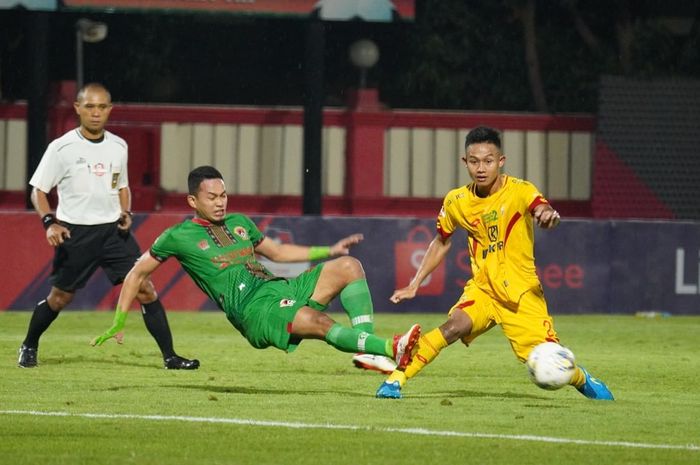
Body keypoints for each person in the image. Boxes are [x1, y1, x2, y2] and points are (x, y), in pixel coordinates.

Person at [91, 165, 421, 375]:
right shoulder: (178, 236)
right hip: (253, 310)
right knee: (320, 323)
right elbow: (136, 273)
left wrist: (329, 250)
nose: (221, 202)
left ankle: (370, 354)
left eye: (224, 195)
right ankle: (390, 348)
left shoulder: (239, 223)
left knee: (349, 266)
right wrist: (119, 319)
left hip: (279, 288)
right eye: (212, 197)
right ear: (193, 202)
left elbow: (276, 251)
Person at [376, 126, 614, 400]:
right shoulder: (457, 201)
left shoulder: (520, 190)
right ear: (465, 162)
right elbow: (441, 241)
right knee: (452, 328)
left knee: (546, 361)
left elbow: (540, 207)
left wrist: (547, 215)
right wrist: (414, 284)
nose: (481, 167)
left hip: (521, 295)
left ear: (501, 161)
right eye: (474, 161)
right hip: (483, 290)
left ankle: (581, 377)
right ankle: (396, 380)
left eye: (488, 161)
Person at [18, 82, 198, 370]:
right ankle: (29, 344)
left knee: (145, 289)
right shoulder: (61, 147)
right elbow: (38, 190)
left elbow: (122, 186)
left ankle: (170, 357)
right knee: (60, 298)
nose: (96, 113)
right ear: (77, 108)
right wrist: (49, 222)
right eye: (89, 106)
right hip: (75, 233)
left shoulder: (118, 146)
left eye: (102, 107)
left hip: (115, 234)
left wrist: (126, 211)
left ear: (110, 109)